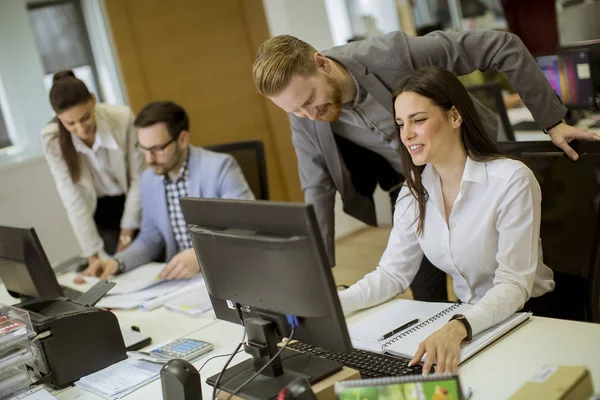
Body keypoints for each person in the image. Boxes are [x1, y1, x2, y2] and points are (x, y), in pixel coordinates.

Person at [252, 31, 597, 302]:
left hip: (480, 161)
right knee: (422, 290)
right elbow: (317, 187)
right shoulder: (303, 114)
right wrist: (319, 273)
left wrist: (553, 122)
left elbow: (500, 45)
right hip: (414, 186)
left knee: (514, 273)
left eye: (311, 100)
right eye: (296, 111)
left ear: (322, 63)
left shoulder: (392, 56)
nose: (309, 116)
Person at [338, 66, 555, 374]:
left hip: (531, 315)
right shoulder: (413, 194)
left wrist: (459, 326)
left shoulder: (511, 180)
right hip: (468, 320)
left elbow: (514, 283)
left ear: (455, 117)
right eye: (401, 123)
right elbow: (392, 274)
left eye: (419, 120)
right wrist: (334, 307)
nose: (407, 134)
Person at [81, 101, 254, 280]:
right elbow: (150, 238)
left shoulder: (220, 168)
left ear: (182, 139)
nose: (149, 159)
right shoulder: (149, 179)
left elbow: (247, 226)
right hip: (182, 282)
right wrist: (118, 262)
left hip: (227, 272)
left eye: (157, 149)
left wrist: (201, 255)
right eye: (143, 149)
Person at [42, 70, 145, 266]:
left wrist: (126, 234)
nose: (81, 129)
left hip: (134, 199)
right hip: (99, 209)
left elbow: (138, 179)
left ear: (93, 99)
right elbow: (72, 198)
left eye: (85, 118)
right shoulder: (52, 139)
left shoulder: (122, 119)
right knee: (113, 266)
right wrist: (92, 255)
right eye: (70, 123)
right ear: (57, 116)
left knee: (142, 255)